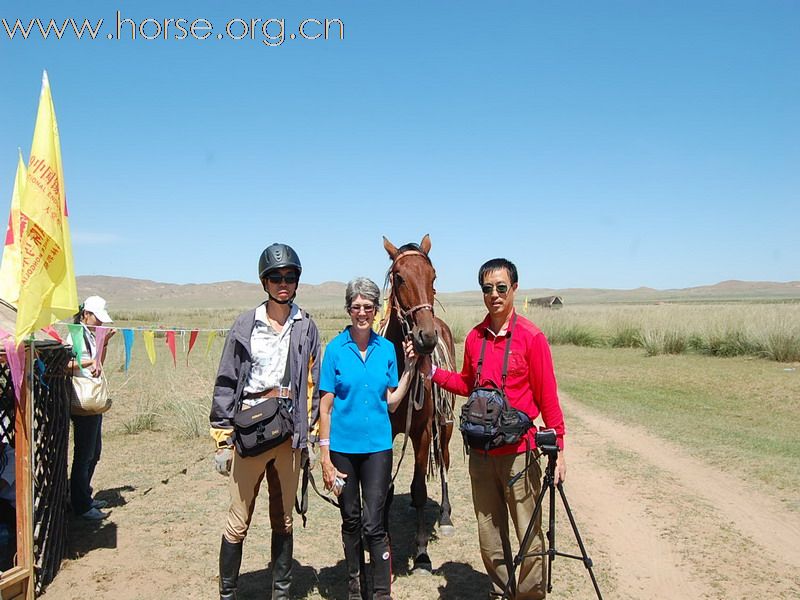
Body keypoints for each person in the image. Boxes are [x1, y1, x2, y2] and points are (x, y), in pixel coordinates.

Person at [418, 258, 566, 600]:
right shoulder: (474, 338)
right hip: (481, 454)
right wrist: (432, 373)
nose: (494, 295)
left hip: (520, 453)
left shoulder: (532, 338)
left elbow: (548, 399)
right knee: (489, 532)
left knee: (528, 530)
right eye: (488, 289)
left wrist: (558, 449)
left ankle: (529, 595)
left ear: (514, 289)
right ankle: (500, 591)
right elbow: (467, 383)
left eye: (501, 288)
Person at [210, 243, 321, 600]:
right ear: (265, 281)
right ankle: (228, 594)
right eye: (276, 277)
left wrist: (313, 435)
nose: (283, 283)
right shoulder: (246, 324)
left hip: (289, 433)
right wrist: (222, 438)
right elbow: (227, 381)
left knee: (284, 519)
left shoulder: (306, 326)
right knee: (238, 520)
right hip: (249, 429)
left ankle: (282, 593)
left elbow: (316, 385)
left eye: (289, 276)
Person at [318, 277, 416, 600]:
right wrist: (324, 455)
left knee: (374, 523)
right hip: (342, 450)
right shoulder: (333, 350)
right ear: (348, 309)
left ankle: (381, 592)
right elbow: (326, 406)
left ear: (376, 311)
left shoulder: (386, 349)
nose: (362, 313)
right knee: (351, 520)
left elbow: (390, 400)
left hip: (377, 449)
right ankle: (354, 586)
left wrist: (409, 370)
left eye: (368, 307)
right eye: (356, 307)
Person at [69, 295, 116, 521]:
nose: (100, 323)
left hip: (93, 399)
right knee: (84, 454)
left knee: (94, 452)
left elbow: (100, 364)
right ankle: (81, 505)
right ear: (86, 315)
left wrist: (104, 343)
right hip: (82, 400)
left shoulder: (90, 334)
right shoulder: (74, 335)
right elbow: (64, 365)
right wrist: (89, 362)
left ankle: (84, 495)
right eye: (97, 318)